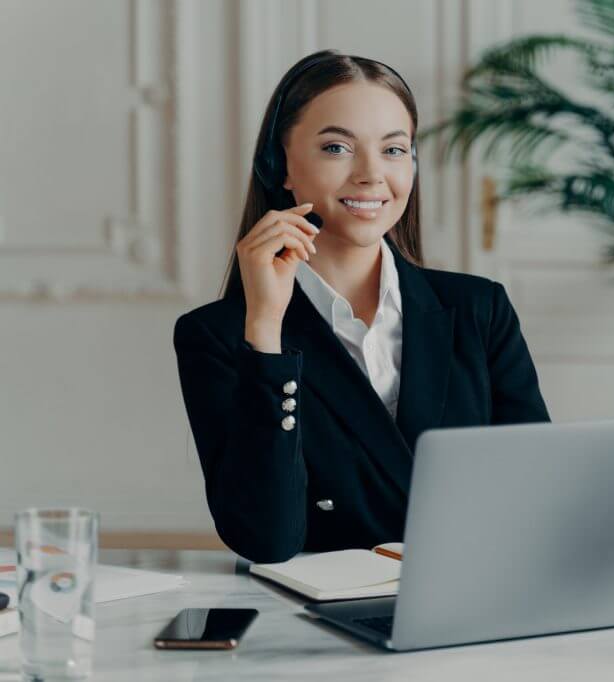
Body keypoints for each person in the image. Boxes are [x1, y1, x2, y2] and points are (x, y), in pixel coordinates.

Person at [173, 51, 550, 564]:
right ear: (279, 165)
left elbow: (537, 495)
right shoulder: (218, 335)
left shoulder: (479, 309)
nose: (372, 175)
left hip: (474, 601)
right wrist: (264, 331)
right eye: (337, 147)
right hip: (317, 624)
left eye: (395, 150)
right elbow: (267, 539)